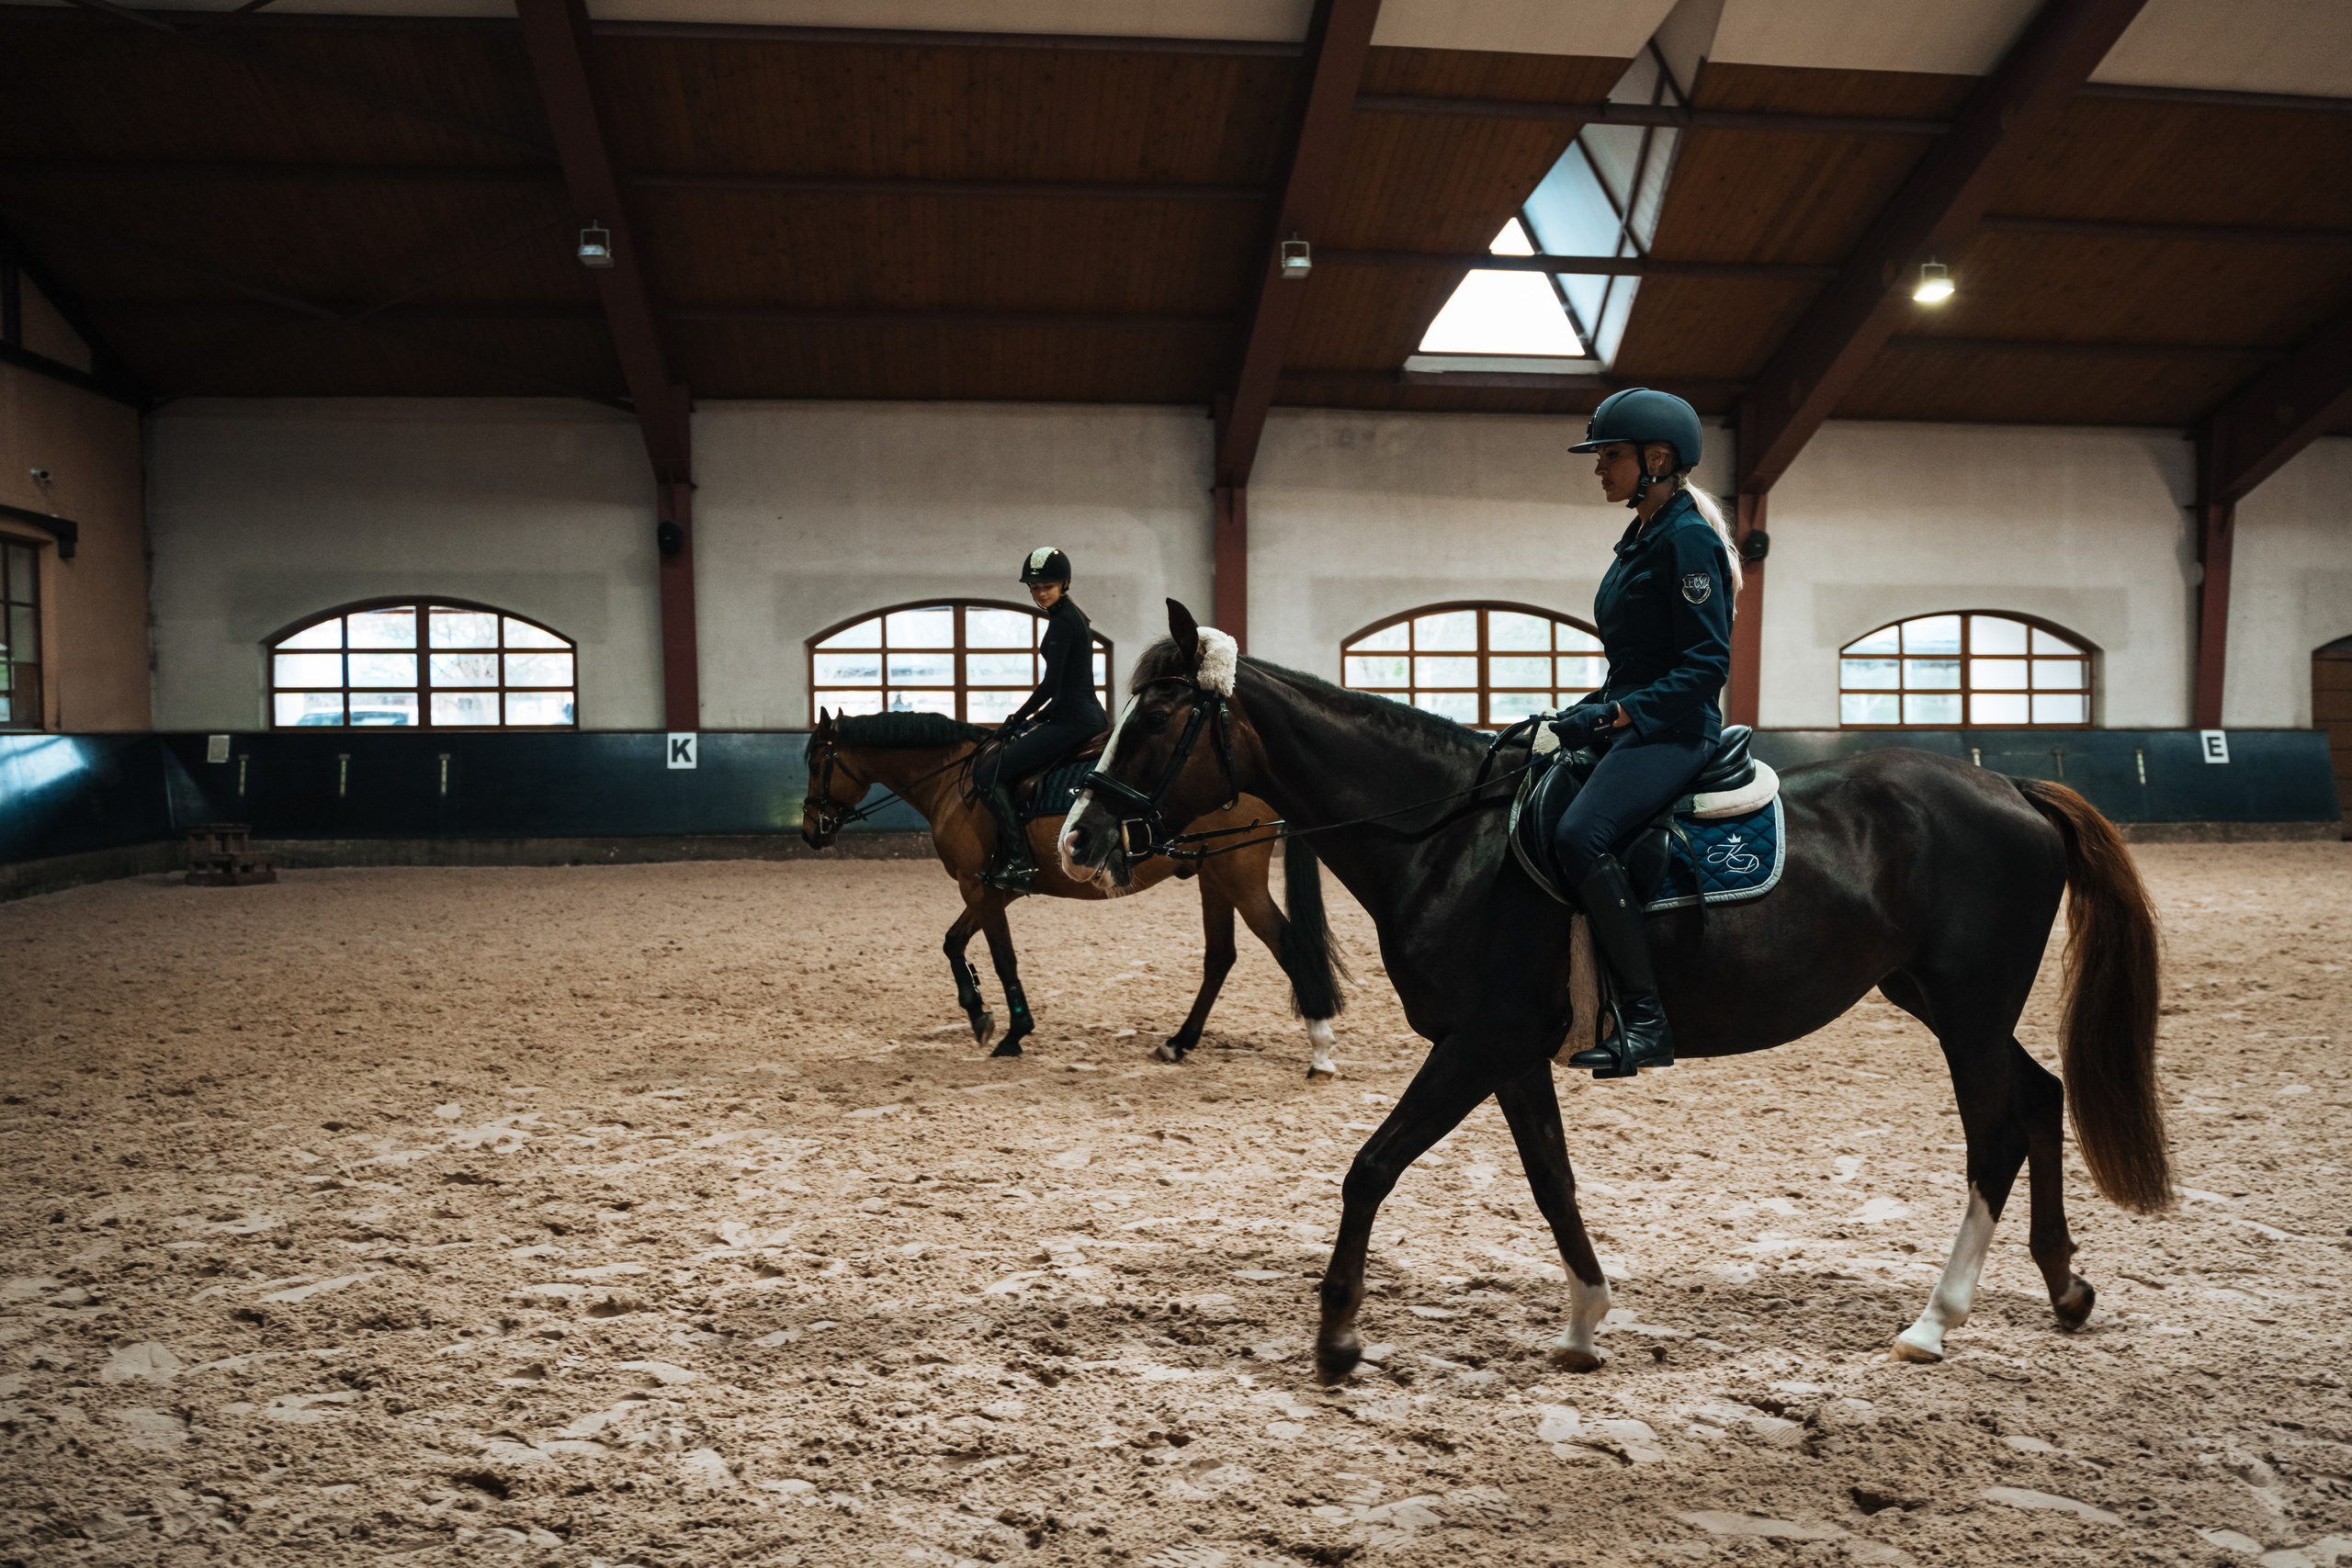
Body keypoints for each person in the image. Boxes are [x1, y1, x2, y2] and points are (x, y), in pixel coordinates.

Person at [1550, 388, 1741, 1077]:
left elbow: (1704, 666)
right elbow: (1634, 661)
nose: (1600, 469)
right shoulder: (1641, 535)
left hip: (1677, 729)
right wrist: (1587, 709)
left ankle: (1646, 1018)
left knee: (1580, 834)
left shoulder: (1687, 537)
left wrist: (1618, 714)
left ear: (1656, 459)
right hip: (1632, 717)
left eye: (1610, 456)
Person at [976, 547, 1110, 890]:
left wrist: (1016, 719)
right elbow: (1069, 684)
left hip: (1074, 721)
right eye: (1034, 588)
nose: (1040, 593)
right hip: (1071, 713)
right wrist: (1034, 720)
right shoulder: (1066, 615)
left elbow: (1052, 684)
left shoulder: (1065, 621)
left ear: (1064, 583)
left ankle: (1020, 863)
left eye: (1046, 586)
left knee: (990, 773)